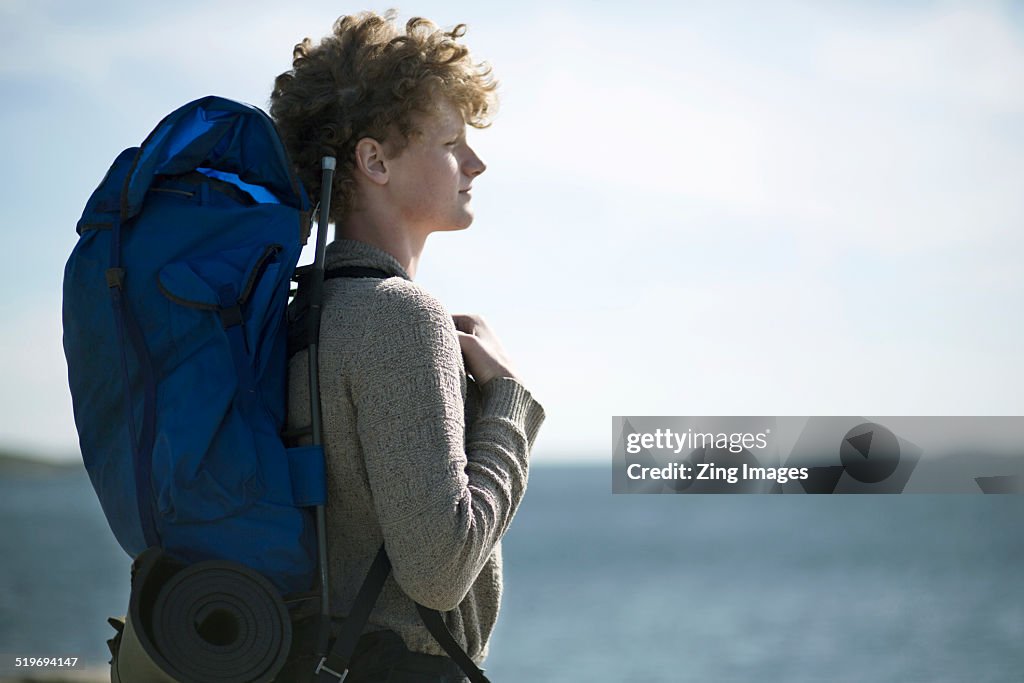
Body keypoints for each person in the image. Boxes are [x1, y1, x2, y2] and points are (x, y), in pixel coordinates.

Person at [271, 11, 545, 682]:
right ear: (374, 160)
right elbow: (439, 570)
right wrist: (510, 403)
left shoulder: (307, 307)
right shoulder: (399, 316)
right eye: (452, 141)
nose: (475, 161)